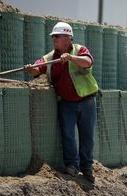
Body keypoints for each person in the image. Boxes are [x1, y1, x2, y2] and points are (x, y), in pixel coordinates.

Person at [25, 22, 98, 183]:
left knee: (87, 136)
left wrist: (71, 57)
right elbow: (38, 68)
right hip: (66, 103)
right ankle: (72, 166)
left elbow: (88, 62)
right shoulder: (51, 57)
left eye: (57, 36)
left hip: (87, 101)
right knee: (68, 135)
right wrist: (32, 69)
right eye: (53, 37)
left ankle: (87, 167)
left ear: (68, 37)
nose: (54, 40)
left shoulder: (80, 50)